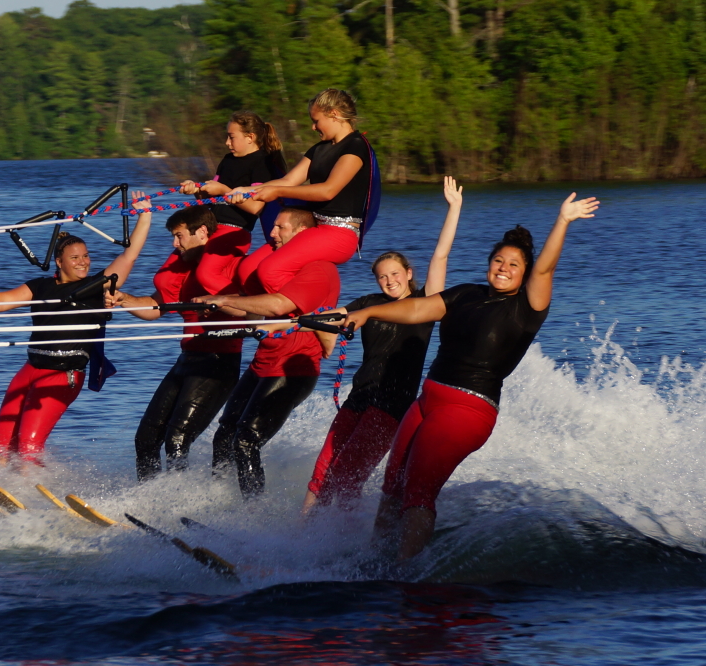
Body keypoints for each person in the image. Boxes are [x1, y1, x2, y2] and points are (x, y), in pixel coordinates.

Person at [344, 192, 600, 560]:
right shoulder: (465, 294)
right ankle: (377, 560)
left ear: (524, 274)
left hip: (467, 409)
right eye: (499, 260)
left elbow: (545, 268)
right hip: (427, 401)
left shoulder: (527, 307)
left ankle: (404, 575)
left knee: (417, 491)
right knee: (392, 485)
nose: (504, 267)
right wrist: (368, 314)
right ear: (488, 264)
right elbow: (417, 308)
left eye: (514, 264)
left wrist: (562, 221)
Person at [0, 192, 154, 465]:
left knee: (29, 446)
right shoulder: (41, 286)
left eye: (86, 256)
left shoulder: (95, 286)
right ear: (59, 261)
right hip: (30, 370)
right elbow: (4, 300)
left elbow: (130, 255)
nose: (84, 262)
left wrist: (145, 215)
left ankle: (33, 493)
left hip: (64, 373)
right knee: (2, 445)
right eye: (76, 257)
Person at [301, 176, 464, 516]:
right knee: (322, 473)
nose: (389, 281)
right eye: (382, 277)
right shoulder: (370, 301)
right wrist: (299, 317)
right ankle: (302, 535)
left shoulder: (425, 303)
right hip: (359, 396)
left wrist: (454, 209)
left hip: (391, 402)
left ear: (407, 274)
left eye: (394, 274)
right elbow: (332, 315)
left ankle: (339, 545)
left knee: (346, 477)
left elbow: (441, 256)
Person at [197, 206, 341, 498]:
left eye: (280, 228)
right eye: (272, 227)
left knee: (246, 440)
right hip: (261, 365)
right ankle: (218, 502)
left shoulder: (319, 269)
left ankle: (252, 515)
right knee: (224, 435)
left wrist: (224, 298)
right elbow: (252, 308)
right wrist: (213, 302)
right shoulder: (279, 269)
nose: (272, 234)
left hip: (292, 370)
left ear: (302, 233)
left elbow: (278, 306)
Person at [105, 206, 243, 480]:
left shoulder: (227, 263)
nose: (174, 244)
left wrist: (221, 304)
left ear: (202, 232)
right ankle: (149, 498)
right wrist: (124, 299)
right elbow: (157, 308)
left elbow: (251, 310)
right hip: (187, 359)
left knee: (176, 440)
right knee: (145, 439)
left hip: (218, 363)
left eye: (179, 236)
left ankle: (177, 503)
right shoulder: (185, 266)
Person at [229, 89, 379, 295]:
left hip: (340, 234)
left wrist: (276, 192)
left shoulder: (356, 146)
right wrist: (247, 190)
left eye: (316, 120)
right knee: (248, 270)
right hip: (315, 229)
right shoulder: (319, 149)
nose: (313, 126)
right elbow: (289, 180)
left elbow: (328, 191)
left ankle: (300, 320)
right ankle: (261, 322)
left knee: (269, 270)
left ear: (334, 114)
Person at [179, 111, 287, 295]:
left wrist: (222, 190)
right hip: (212, 228)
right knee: (191, 278)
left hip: (234, 231)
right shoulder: (227, 160)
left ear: (250, 137)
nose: (227, 143)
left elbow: (255, 207)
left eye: (231, 137)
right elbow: (210, 201)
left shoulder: (262, 162)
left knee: (206, 274)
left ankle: (244, 310)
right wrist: (196, 190)